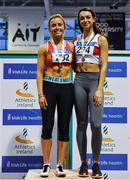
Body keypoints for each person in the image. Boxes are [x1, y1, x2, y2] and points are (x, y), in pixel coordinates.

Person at [36, 14, 74, 178]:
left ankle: (59, 165)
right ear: (49, 29)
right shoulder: (44, 48)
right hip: (49, 87)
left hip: (67, 87)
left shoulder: (72, 47)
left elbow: (81, 68)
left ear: (64, 27)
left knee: (64, 128)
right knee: (47, 126)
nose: (57, 27)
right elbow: (39, 72)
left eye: (60, 25)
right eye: (53, 25)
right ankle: (46, 164)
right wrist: (40, 93)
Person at [73, 8, 108, 179]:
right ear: (79, 21)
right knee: (81, 124)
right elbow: (72, 62)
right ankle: (83, 163)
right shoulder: (76, 39)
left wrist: (100, 88)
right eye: (82, 18)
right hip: (79, 81)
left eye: (88, 17)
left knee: (95, 124)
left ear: (94, 19)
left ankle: (96, 162)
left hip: (95, 82)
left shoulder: (101, 39)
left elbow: (104, 65)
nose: (85, 20)